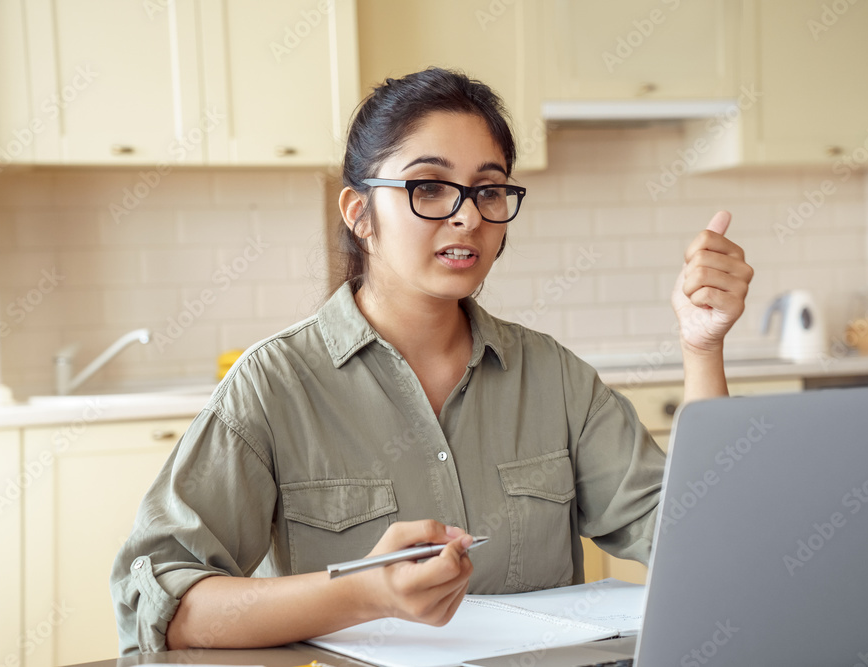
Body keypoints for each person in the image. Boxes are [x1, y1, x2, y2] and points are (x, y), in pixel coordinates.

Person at [110, 67, 753, 654]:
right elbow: (163, 607)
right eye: (429, 187)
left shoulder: (553, 377)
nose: (468, 216)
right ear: (361, 213)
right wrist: (363, 593)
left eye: (489, 190)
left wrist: (702, 348)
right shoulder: (272, 386)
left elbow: (703, 547)